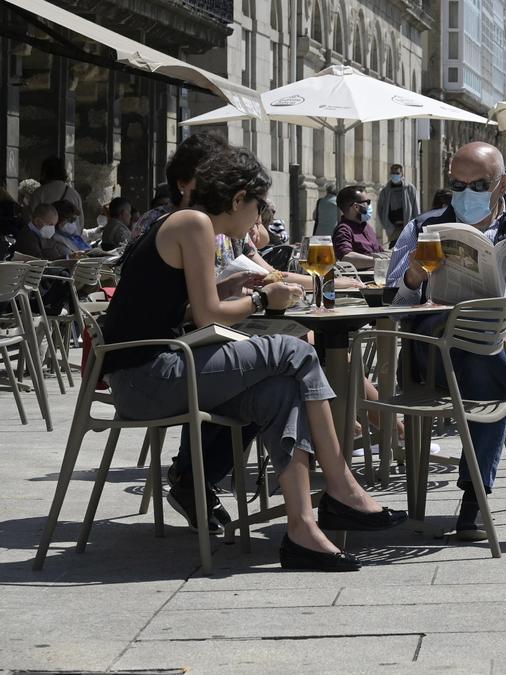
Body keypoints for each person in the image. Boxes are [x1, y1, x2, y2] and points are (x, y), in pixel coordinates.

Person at [101, 147, 405, 572]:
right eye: (259, 205)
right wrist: (263, 297)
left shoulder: (192, 224)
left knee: (279, 391)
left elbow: (181, 308)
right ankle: (341, 486)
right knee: (296, 350)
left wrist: (232, 292)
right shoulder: (194, 222)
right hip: (147, 376)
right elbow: (207, 315)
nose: (259, 217)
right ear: (239, 197)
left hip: (157, 371)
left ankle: (302, 530)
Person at [387, 141, 506, 541]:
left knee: (495, 342)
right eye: (457, 185)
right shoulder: (423, 228)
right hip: (438, 347)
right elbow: (392, 306)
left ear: (503, 183)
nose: (466, 194)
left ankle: (475, 497)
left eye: (478, 185)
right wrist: (412, 279)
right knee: (488, 344)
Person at [132, 134, 230, 242]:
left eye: (221, 178)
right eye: (208, 178)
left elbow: (249, 253)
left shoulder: (226, 221)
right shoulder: (151, 221)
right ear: (183, 183)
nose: (217, 186)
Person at [332, 185, 384, 269]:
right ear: (356, 207)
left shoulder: (367, 227)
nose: (369, 206)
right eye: (367, 202)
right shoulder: (343, 230)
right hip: (363, 279)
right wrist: (379, 262)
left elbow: (380, 251)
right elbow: (346, 257)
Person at [377, 164, 419, 247]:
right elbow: (380, 210)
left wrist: (415, 225)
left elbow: (415, 208)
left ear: (402, 174)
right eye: (393, 173)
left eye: (397, 173)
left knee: (407, 250)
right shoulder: (385, 191)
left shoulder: (410, 188)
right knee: (394, 248)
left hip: (407, 226)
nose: (395, 175)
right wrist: (387, 226)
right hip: (392, 229)